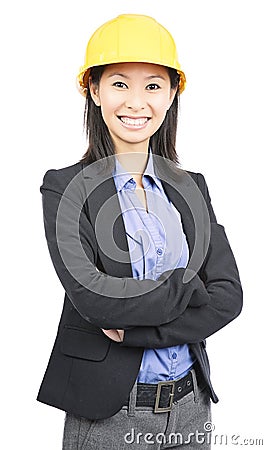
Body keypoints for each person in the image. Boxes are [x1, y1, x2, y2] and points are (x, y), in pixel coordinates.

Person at [37, 14, 243, 450]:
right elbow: (95, 300)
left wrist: (140, 332)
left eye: (152, 85)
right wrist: (188, 288)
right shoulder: (64, 187)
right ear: (93, 90)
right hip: (110, 413)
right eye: (118, 84)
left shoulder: (192, 188)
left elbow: (228, 296)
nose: (136, 102)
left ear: (172, 94)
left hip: (191, 408)